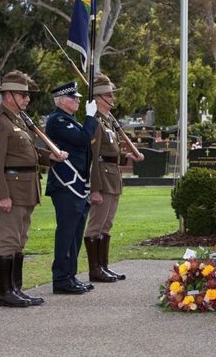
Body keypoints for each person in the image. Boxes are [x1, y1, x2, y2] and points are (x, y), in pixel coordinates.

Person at [0, 70, 68, 307]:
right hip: (11, 189)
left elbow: (26, 154)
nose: (27, 99)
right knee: (8, 240)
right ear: (8, 95)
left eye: (27, 95)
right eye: (22, 95)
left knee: (20, 239)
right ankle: (5, 293)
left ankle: (16, 288)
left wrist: (49, 156)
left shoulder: (18, 120)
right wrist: (2, 196)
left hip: (26, 189)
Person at [84, 74, 142, 282]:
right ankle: (94, 269)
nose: (113, 99)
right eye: (109, 95)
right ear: (99, 97)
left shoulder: (108, 121)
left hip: (113, 177)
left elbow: (109, 152)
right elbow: (93, 157)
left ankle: (103, 266)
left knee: (106, 225)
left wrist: (126, 155)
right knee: (96, 225)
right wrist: (95, 188)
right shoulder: (95, 123)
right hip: (102, 179)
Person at [45, 81, 98, 294]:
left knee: (75, 233)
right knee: (66, 233)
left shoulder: (70, 120)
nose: (77, 100)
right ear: (61, 100)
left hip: (78, 184)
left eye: (77, 97)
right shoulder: (57, 120)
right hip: (66, 184)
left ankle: (71, 276)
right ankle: (60, 279)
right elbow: (84, 140)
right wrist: (90, 117)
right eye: (73, 97)